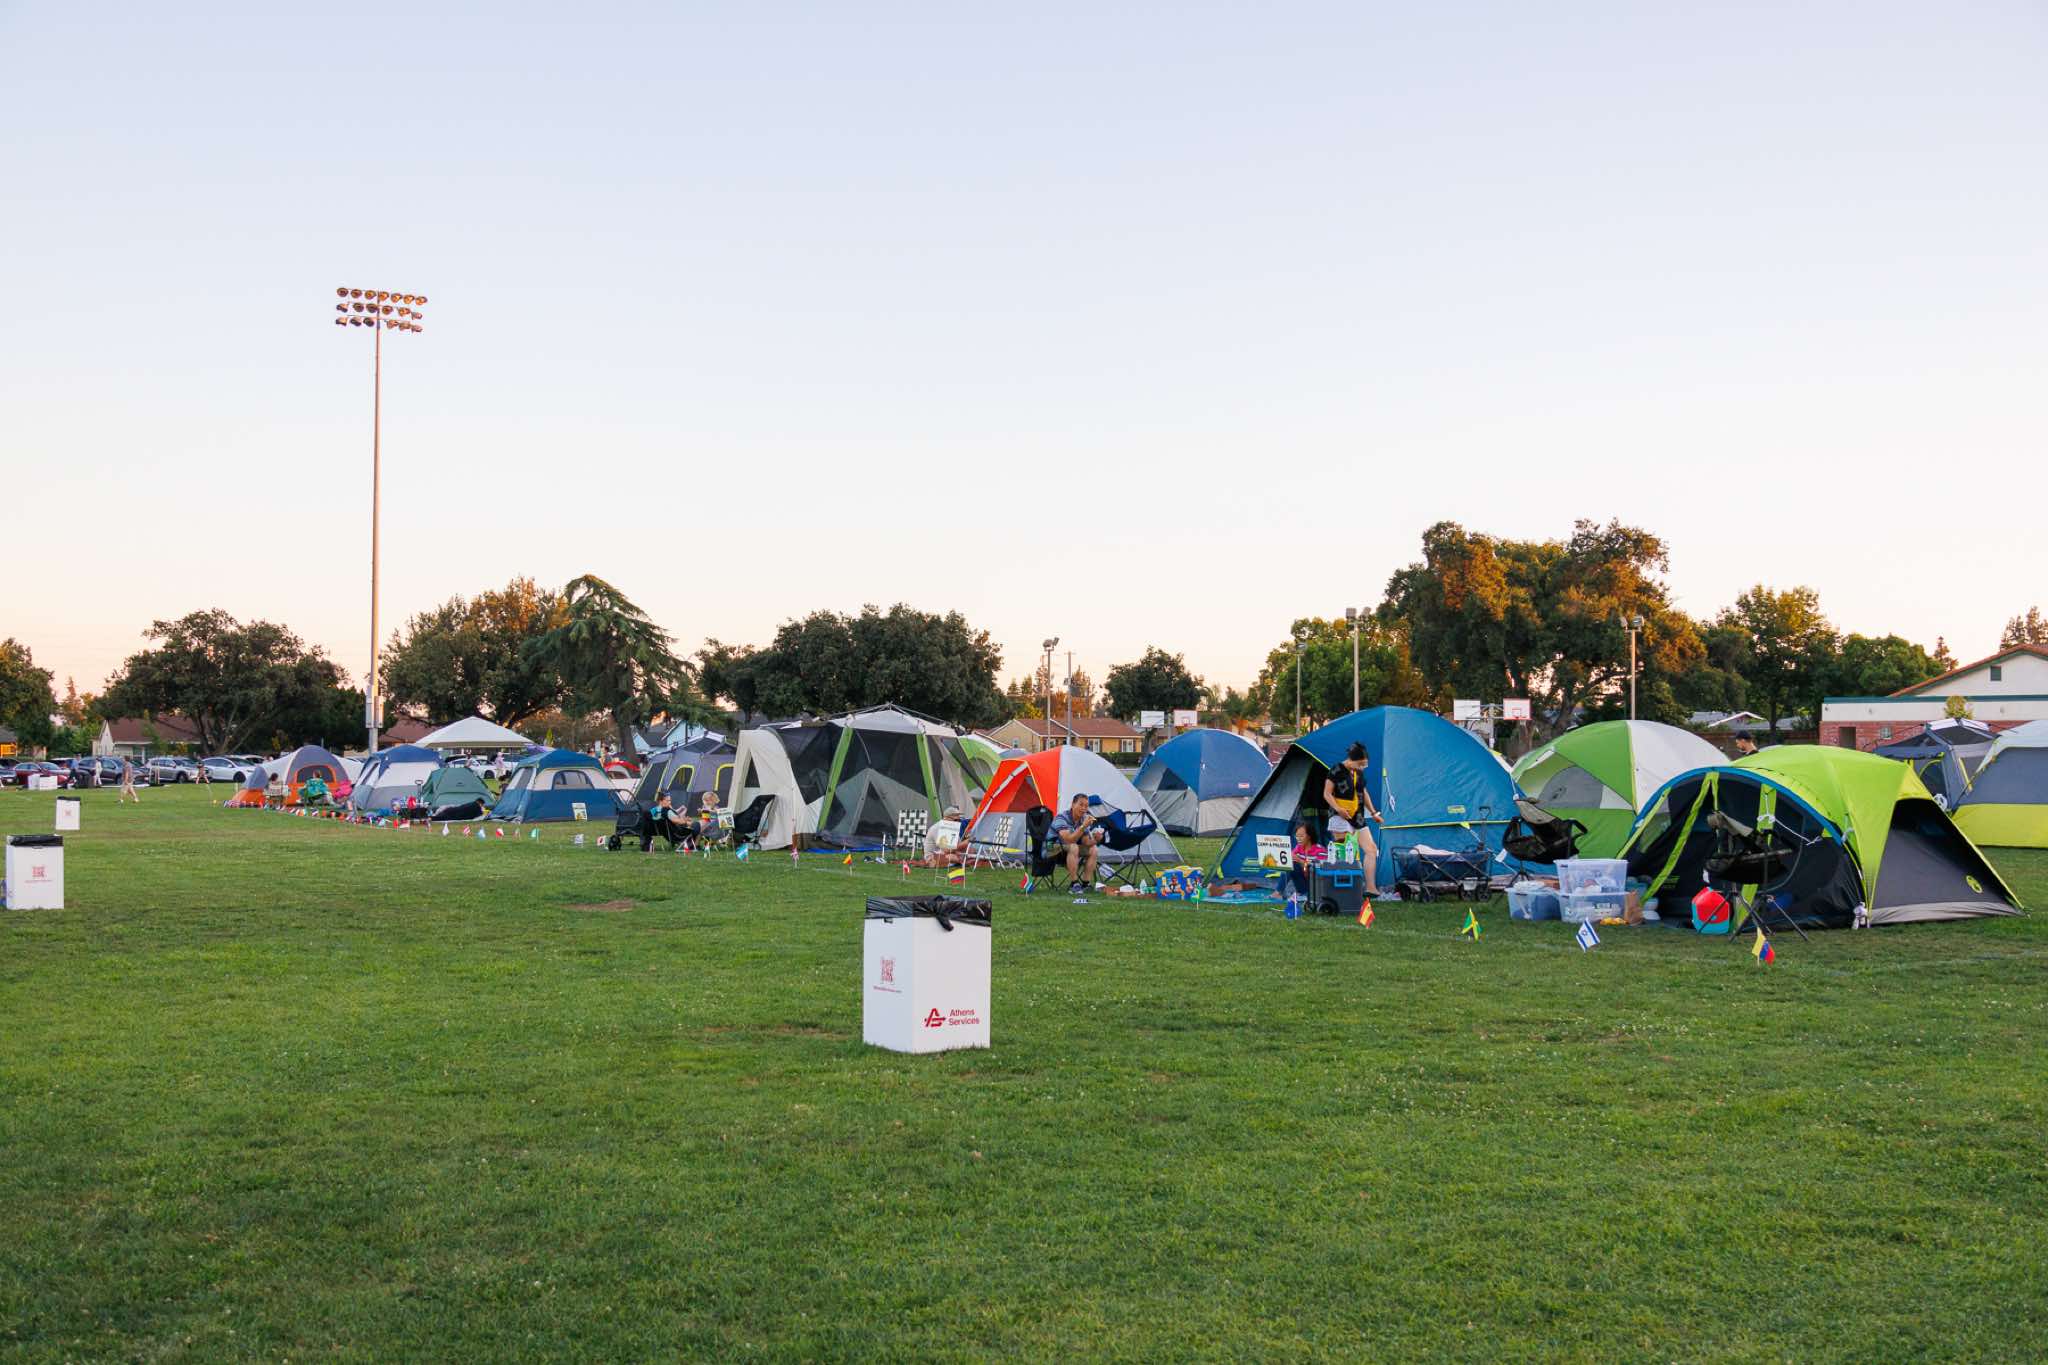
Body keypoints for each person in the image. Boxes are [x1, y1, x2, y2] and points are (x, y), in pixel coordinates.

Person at [1323, 742, 1389, 898]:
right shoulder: (1336, 769)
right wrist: (1338, 809)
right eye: (1360, 764)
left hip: (1357, 815)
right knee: (1345, 851)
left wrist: (1373, 813)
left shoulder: (1358, 772)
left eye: (1365, 765)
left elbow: (1364, 793)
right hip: (1340, 815)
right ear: (1351, 760)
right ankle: (1342, 889)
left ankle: (1370, 888)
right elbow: (1327, 794)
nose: (1362, 767)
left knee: (1371, 849)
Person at [1048, 793, 1103, 889]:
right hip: (1051, 849)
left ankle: (1086, 883)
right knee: (1073, 847)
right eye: (1081, 805)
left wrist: (1096, 839)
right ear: (1073, 805)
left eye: (1086, 806)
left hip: (1068, 849)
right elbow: (1068, 839)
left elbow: (1086, 842)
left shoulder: (1083, 819)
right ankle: (1074, 883)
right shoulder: (1061, 818)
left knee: (1093, 849)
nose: (1084, 808)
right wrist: (1083, 826)